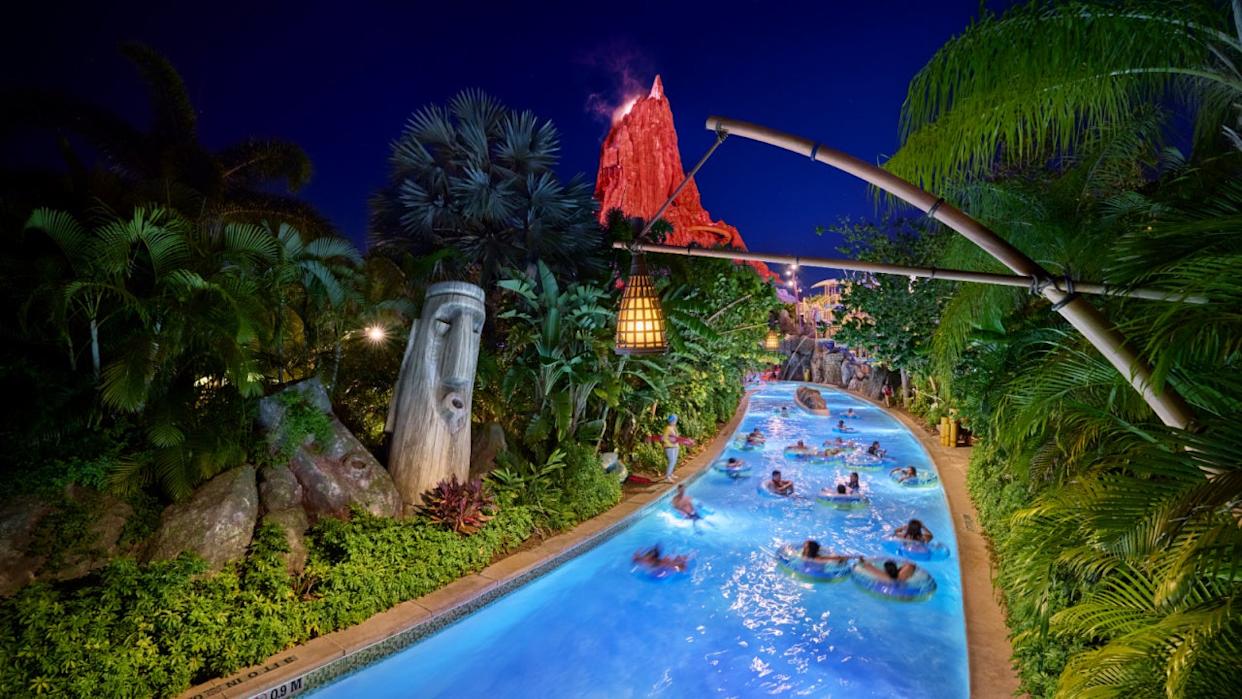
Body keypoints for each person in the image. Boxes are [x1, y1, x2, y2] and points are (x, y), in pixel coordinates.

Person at [662, 414, 681, 482]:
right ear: (672, 420)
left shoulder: (673, 427)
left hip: (675, 446)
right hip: (669, 447)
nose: (676, 421)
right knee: (671, 461)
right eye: (675, 420)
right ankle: (667, 477)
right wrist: (671, 444)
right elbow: (663, 438)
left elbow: (676, 437)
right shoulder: (667, 428)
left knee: (674, 461)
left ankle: (670, 474)